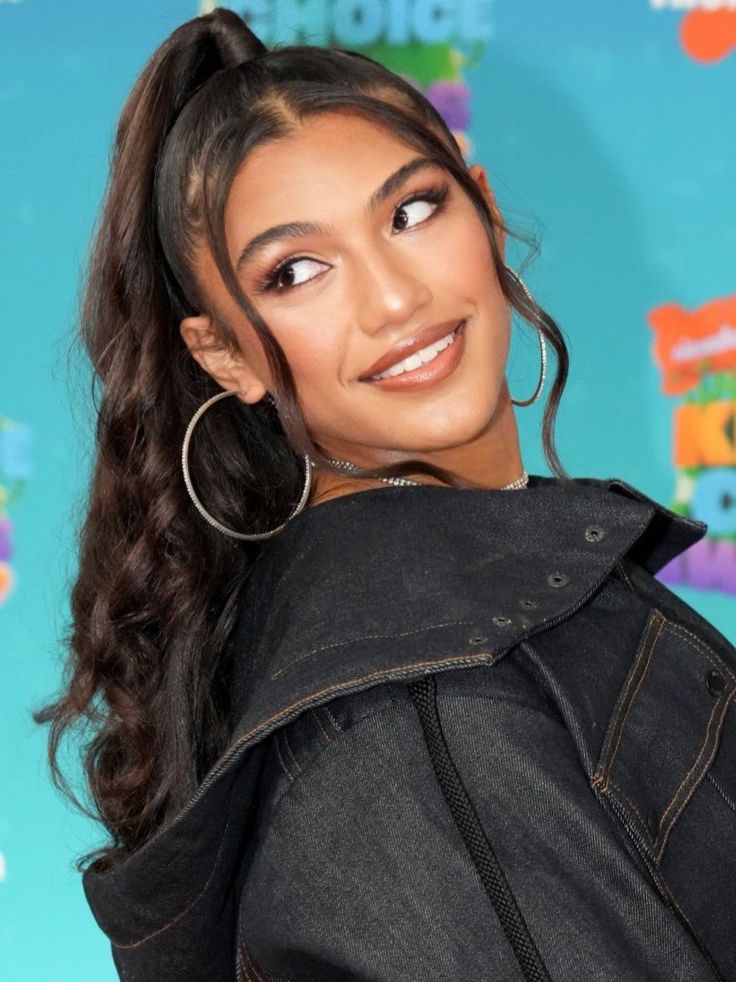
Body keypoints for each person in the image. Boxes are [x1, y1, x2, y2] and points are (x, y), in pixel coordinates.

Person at [33, 7, 736, 982]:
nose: (394, 299)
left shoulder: (460, 612)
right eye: (297, 271)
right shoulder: (428, 695)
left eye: (410, 211)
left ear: (482, 208)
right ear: (226, 351)